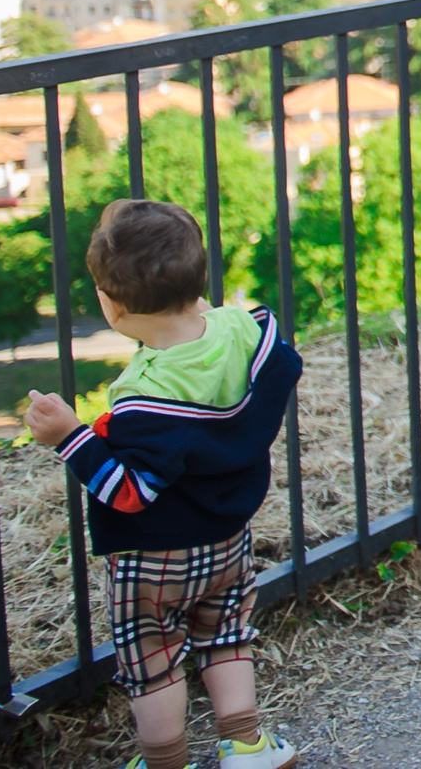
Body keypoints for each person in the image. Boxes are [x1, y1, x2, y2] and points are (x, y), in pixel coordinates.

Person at [24, 198, 304, 769]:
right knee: (227, 636)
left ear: (112, 306)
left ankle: (164, 761)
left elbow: (130, 490)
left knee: (153, 658)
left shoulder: (142, 395)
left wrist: (70, 436)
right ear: (199, 277)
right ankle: (248, 746)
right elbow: (282, 361)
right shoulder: (248, 332)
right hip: (226, 537)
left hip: (152, 560)